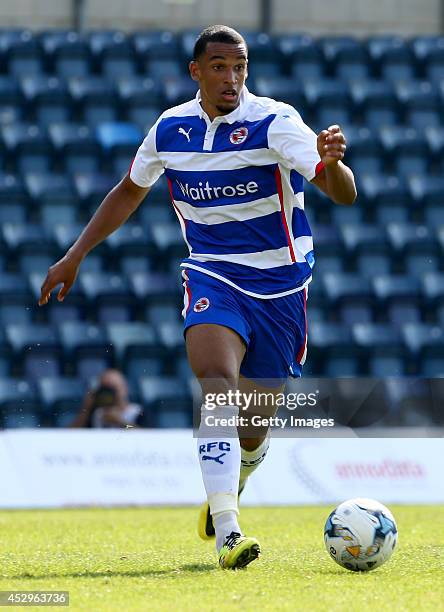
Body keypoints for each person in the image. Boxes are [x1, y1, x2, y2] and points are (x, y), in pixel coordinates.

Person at [39, 25, 356, 569]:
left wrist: (333, 162)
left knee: (253, 426)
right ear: (196, 71)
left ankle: (237, 476)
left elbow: (341, 192)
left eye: (240, 66)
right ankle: (228, 531)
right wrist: (76, 254)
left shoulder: (275, 121)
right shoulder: (170, 128)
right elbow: (129, 190)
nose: (230, 77)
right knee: (216, 384)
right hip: (212, 275)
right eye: (218, 66)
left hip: (280, 286)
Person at [71, 369, 143, 428]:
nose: (109, 393)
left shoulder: (137, 412)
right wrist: (86, 408)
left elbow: (146, 435)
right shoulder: (96, 413)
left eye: (113, 388)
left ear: (125, 389)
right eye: (105, 389)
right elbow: (70, 435)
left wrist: (120, 422)